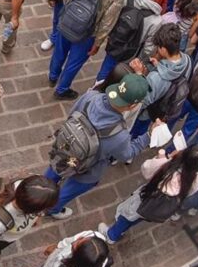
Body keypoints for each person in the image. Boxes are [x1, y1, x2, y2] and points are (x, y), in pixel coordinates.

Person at [44, 74, 154, 220]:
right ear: (132, 105)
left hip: (65, 148)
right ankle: (52, 209)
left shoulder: (91, 96)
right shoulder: (119, 135)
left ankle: (42, 190)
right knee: (69, 190)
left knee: (54, 170)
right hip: (88, 170)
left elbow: (71, 115)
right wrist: (148, 136)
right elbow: (127, 154)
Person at [49, 0, 126, 100]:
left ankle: (53, 75)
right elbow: (108, 21)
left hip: (68, 20)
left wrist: (68, 13)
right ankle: (62, 89)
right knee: (74, 63)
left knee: (59, 51)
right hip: (88, 33)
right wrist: (98, 42)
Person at [99, 145, 198, 243]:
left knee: (128, 216)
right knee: (139, 217)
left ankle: (111, 235)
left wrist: (161, 158)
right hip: (158, 208)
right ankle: (121, 230)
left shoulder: (168, 164)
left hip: (146, 197)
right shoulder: (196, 179)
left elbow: (145, 169)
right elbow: (189, 193)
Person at [0, 176, 60, 267]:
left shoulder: (29, 187)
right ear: (30, 209)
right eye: (44, 208)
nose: (44, 211)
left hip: (9, 233)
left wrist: (38, 217)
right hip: (2, 238)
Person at [96, 0, 168, 83]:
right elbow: (148, 48)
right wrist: (140, 61)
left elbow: (115, 16)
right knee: (120, 78)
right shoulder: (156, 20)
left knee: (106, 68)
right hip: (131, 54)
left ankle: (96, 88)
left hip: (116, 43)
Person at [128, 23, 192, 138]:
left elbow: (141, 102)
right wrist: (160, 65)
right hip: (163, 109)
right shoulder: (186, 60)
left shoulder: (156, 78)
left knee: (134, 133)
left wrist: (139, 74)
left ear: (163, 49)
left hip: (146, 114)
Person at [38, 230, 112, 267]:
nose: (73, 244)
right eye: (81, 239)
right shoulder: (91, 234)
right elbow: (70, 240)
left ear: (78, 259)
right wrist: (58, 246)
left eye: (74, 248)